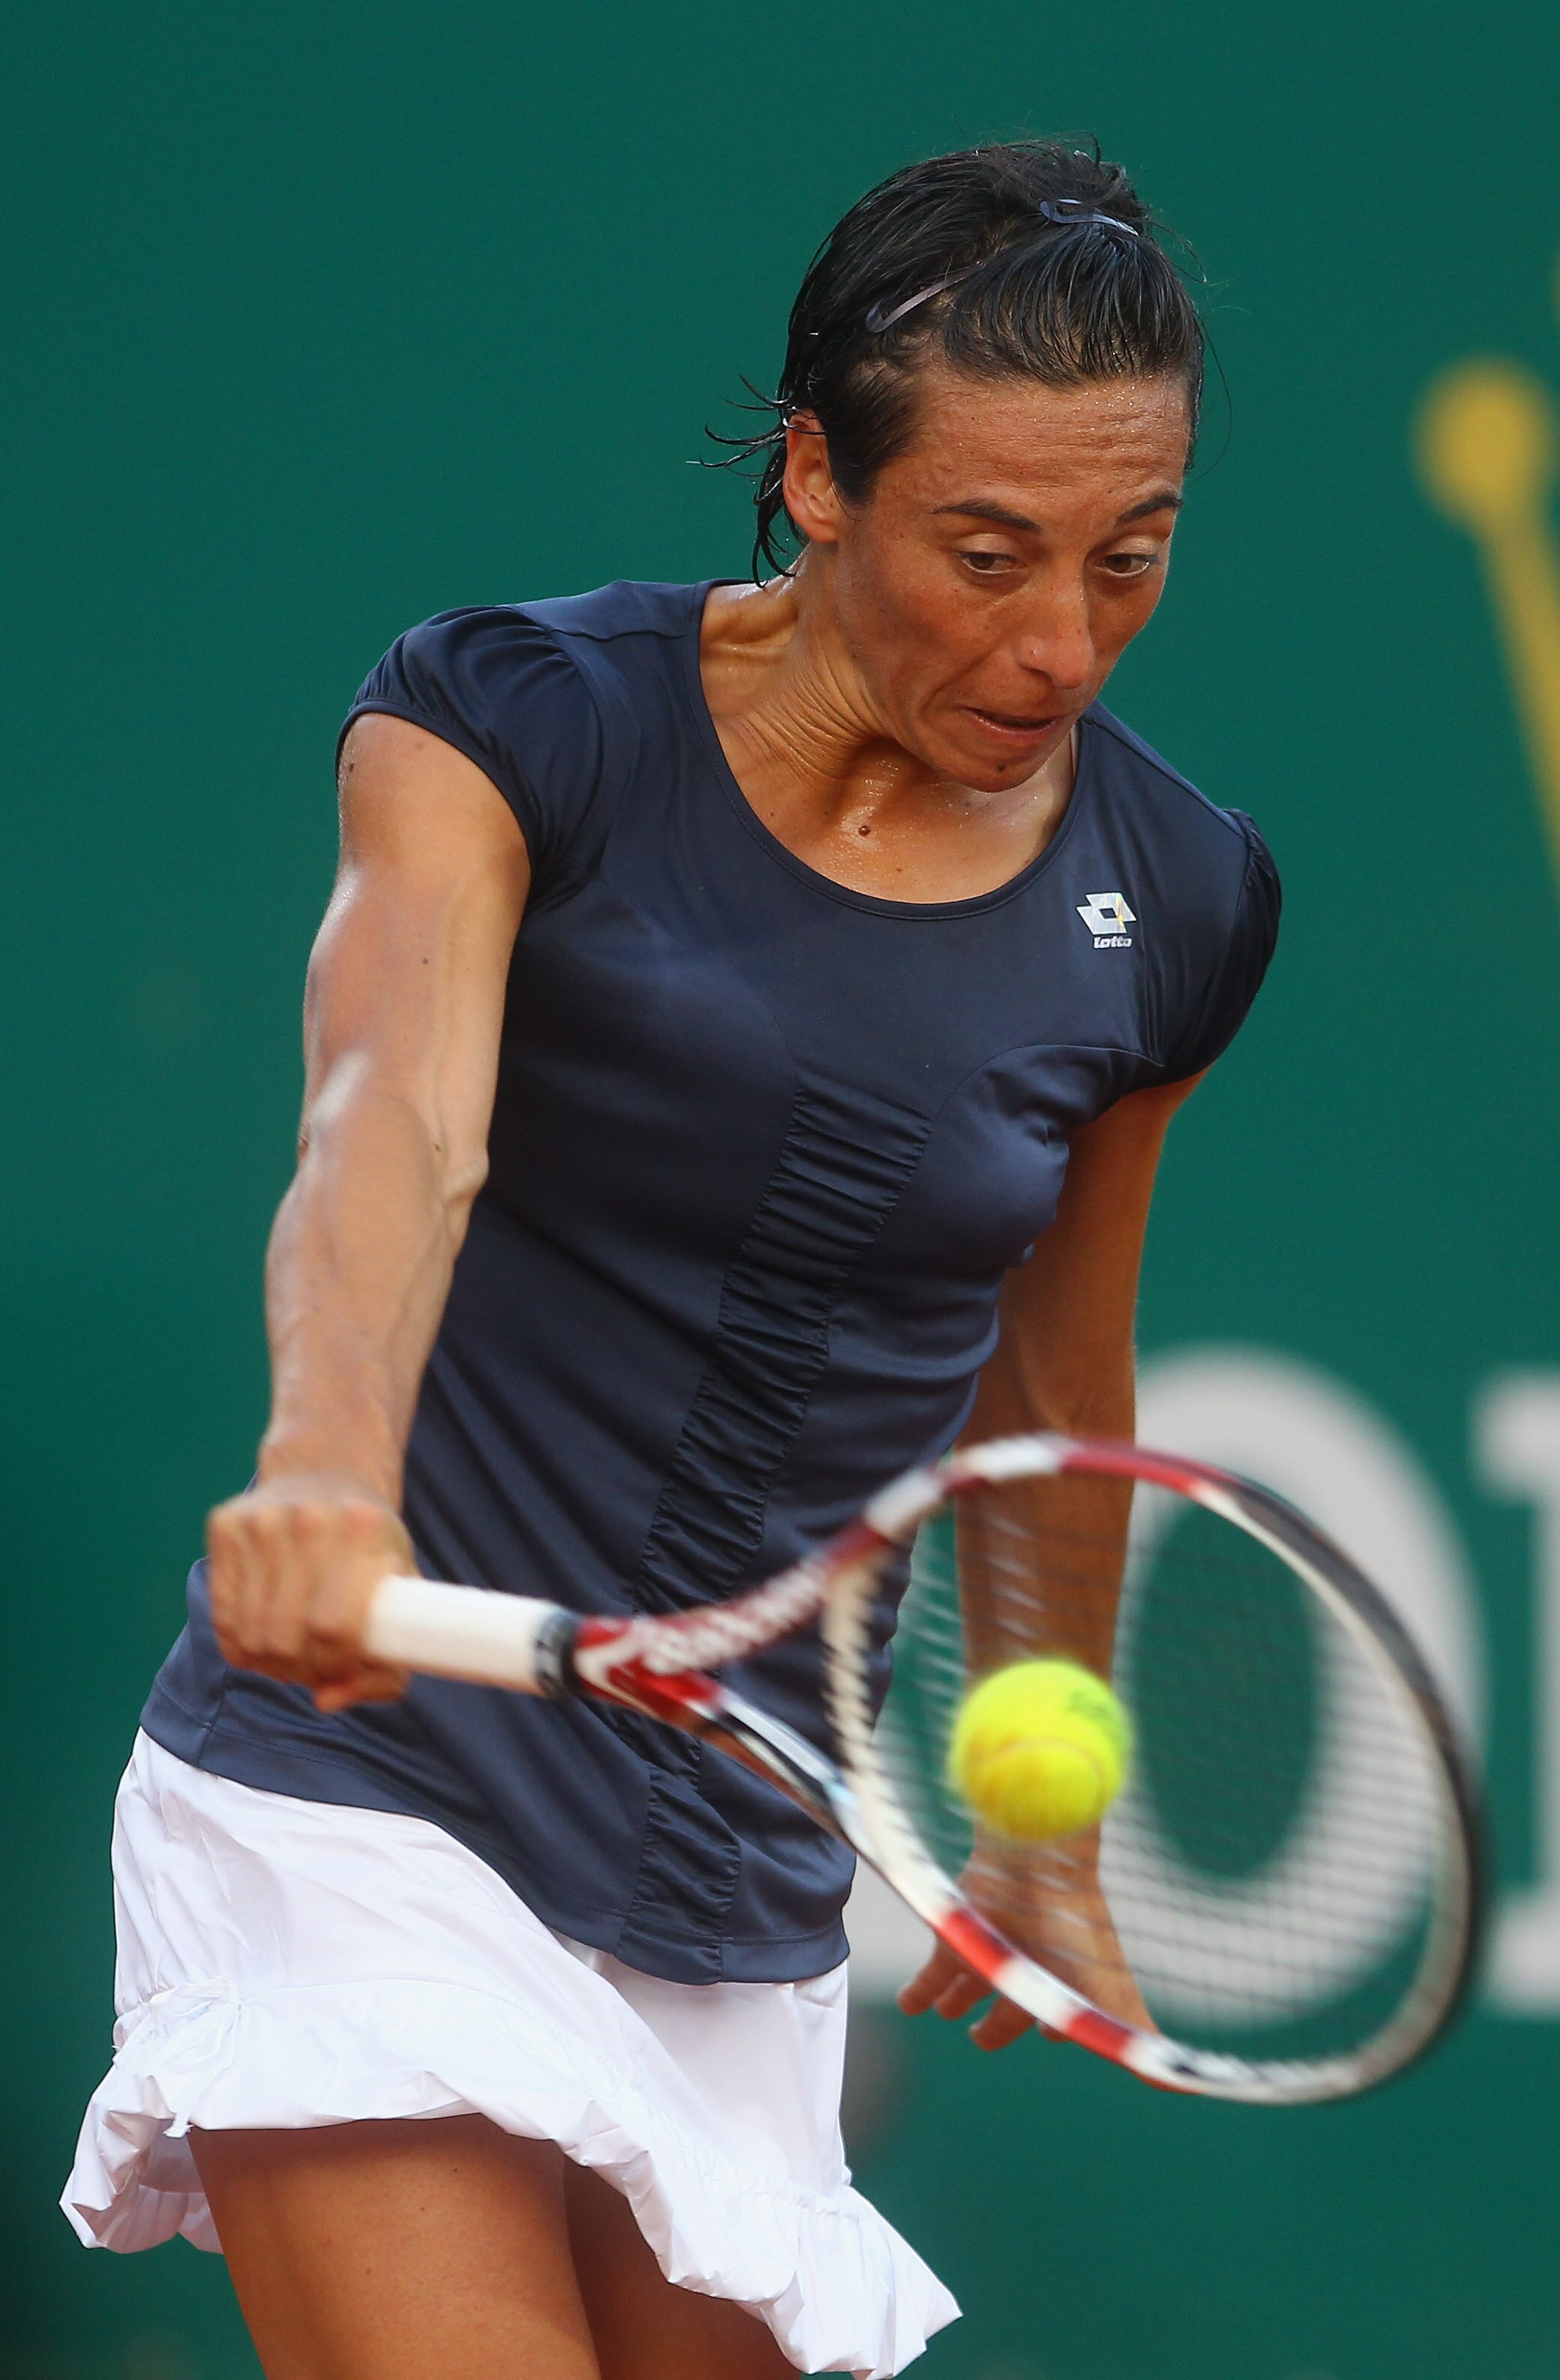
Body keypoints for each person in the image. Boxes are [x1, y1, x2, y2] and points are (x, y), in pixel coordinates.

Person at [64, 139, 1278, 2380]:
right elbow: (392, 1123)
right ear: (817, 478)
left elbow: (1052, 1390)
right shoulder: (516, 722)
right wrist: (324, 1468)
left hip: (738, 1876)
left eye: (1132, 558)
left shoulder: (1177, 898)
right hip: (376, 1791)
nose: (1061, 644)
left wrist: (1056, 1822)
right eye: (987, 556)